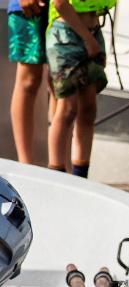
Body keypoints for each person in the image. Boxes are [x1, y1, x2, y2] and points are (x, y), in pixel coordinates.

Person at [45, 0, 112, 178]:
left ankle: (81, 176)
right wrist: (88, 40)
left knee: (88, 109)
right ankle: (56, 176)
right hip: (66, 35)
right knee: (67, 109)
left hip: (93, 32)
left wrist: (92, 39)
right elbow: (60, 4)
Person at [7, 0, 49, 164]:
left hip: (69, 9)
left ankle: (59, 167)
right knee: (29, 80)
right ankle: (25, 164)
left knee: (61, 85)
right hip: (29, 8)